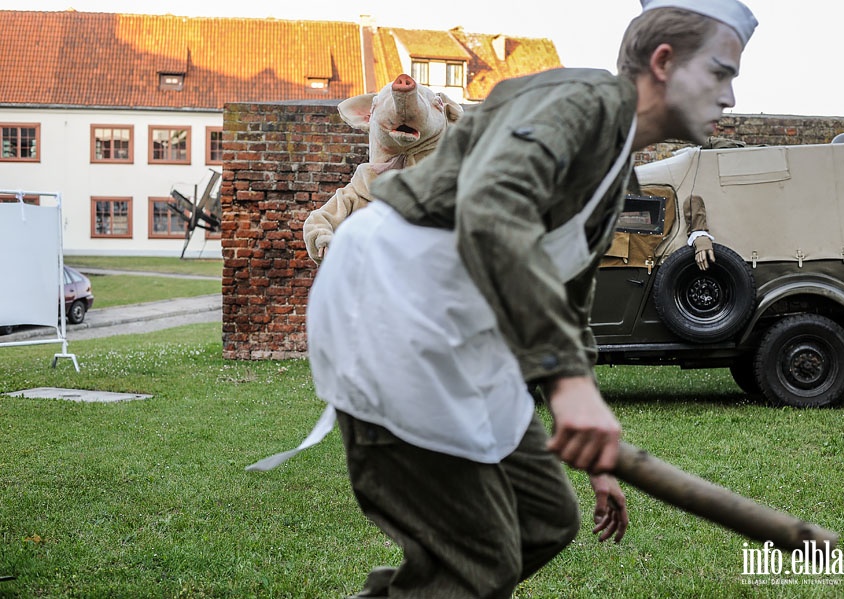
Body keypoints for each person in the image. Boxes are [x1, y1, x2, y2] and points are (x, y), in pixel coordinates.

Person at [306, 1, 758, 596]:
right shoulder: (576, 101)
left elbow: (565, 304)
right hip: (395, 309)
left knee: (544, 520)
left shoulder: (612, 168)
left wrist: (597, 444)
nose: (730, 96)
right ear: (665, 61)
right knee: (482, 560)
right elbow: (494, 210)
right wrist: (568, 389)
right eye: (721, 73)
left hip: (466, 339)